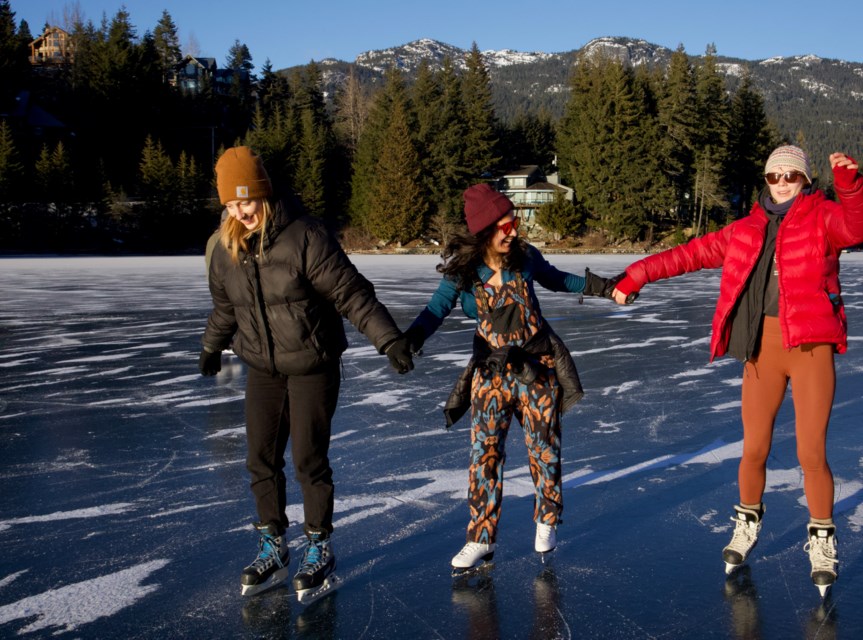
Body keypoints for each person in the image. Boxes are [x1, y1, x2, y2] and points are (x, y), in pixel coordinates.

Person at [613, 146, 863, 596]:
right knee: (753, 447)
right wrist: (635, 274)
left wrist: (851, 186)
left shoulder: (824, 219)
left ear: (806, 180)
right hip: (761, 352)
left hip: (810, 349)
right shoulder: (746, 228)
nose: (780, 183)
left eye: (790, 176)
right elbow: (689, 254)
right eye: (773, 176)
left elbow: (861, 225)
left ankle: (821, 540)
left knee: (810, 453)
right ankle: (747, 523)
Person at [199, 146, 415, 601]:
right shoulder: (224, 248)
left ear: (265, 194)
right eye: (233, 204)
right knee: (259, 458)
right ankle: (273, 545)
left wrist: (388, 339)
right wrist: (211, 346)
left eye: (249, 201)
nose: (242, 212)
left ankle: (319, 546)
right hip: (262, 366)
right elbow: (226, 307)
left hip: (313, 364)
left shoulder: (305, 237)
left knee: (308, 460)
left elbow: (351, 293)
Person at [404, 183, 621, 573]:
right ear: (485, 229)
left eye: (515, 222)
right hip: (490, 374)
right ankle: (480, 539)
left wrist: (604, 287)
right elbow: (436, 308)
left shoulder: (525, 258)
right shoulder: (464, 272)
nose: (514, 231)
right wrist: (412, 339)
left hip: (536, 368)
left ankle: (547, 519)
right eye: (506, 225)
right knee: (484, 456)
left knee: (544, 449)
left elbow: (559, 279)